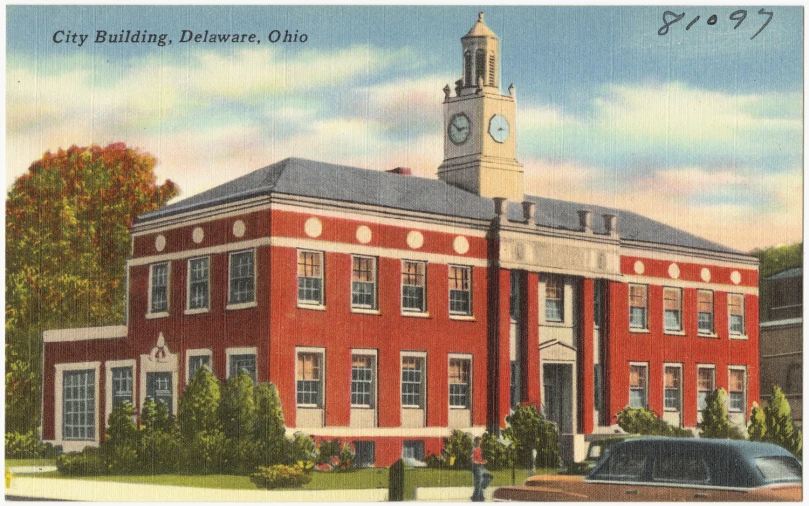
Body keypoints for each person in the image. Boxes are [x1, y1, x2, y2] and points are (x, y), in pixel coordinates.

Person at [471, 436, 493, 501]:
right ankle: (478, 497)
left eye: (480, 442)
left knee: (489, 477)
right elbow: (472, 460)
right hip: (477, 468)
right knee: (479, 482)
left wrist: (483, 461)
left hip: (481, 467)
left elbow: (479, 459)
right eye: (477, 442)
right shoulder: (474, 449)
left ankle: (477, 494)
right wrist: (480, 463)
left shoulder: (479, 449)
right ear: (475, 442)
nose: (479, 443)